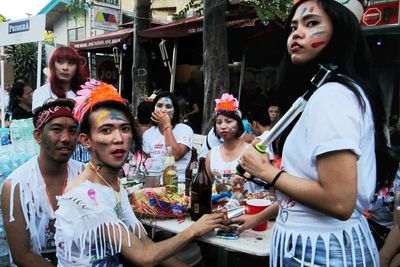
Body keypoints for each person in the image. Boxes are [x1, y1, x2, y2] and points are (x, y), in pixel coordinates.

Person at [233, 0, 398, 266]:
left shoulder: (333, 95)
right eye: (294, 26)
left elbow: (339, 200)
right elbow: (303, 190)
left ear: (341, 33)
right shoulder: (327, 94)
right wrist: (258, 217)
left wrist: (267, 172)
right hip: (312, 246)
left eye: (312, 24)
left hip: (323, 251)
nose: (296, 33)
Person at [55, 80, 225, 266]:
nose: (118, 138)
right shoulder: (85, 196)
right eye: (106, 130)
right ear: (86, 140)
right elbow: (144, 256)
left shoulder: (112, 184)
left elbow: (145, 243)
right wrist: (194, 230)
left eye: (125, 129)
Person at [1, 99, 84, 266]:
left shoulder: (84, 175)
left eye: (73, 131)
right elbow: (22, 255)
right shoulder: (16, 186)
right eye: (57, 130)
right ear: (38, 136)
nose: (66, 138)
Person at [205, 93, 263, 194]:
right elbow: (205, 184)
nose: (223, 126)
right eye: (219, 122)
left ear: (239, 125)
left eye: (228, 121)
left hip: (248, 207)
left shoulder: (251, 151)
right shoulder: (212, 154)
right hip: (218, 208)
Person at [142, 91, 194, 182]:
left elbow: (175, 155)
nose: (163, 110)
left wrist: (166, 126)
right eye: (159, 106)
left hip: (179, 182)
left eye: (168, 107)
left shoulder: (184, 130)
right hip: (156, 182)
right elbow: (146, 163)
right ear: (153, 109)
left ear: (175, 111)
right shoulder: (148, 134)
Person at [32, 46, 87, 111]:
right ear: (53, 66)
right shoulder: (41, 92)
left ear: (77, 69)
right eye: (60, 62)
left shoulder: (86, 92)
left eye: (71, 63)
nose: (65, 68)